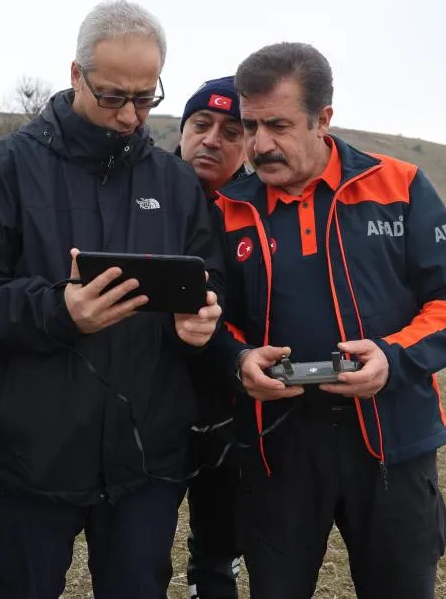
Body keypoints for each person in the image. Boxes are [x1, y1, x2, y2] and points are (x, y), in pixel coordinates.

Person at [0, 0, 224, 599]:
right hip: (29, 459)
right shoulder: (5, 168)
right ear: (76, 75)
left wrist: (201, 321)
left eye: (145, 98)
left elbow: (207, 281)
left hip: (145, 460)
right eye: (113, 96)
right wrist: (57, 310)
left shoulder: (176, 183)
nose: (130, 115)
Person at [204, 42, 446, 599]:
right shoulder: (227, 208)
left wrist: (394, 357)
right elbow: (209, 318)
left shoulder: (399, 186)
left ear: (323, 119)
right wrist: (238, 361)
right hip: (278, 447)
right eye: (251, 125)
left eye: (278, 125)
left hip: (392, 442)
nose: (259, 145)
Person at [174, 76, 248, 599]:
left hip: (230, 407)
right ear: (182, 130)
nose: (212, 140)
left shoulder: (258, 209)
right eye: (202, 124)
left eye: (231, 131)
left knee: (219, 551)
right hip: (152, 401)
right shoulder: (143, 192)